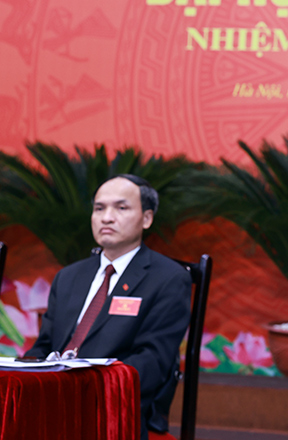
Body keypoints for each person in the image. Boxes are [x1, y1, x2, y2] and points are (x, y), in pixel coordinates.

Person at [26, 174, 192, 439]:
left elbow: (152, 361)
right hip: (51, 402)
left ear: (147, 218)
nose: (107, 218)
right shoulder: (68, 277)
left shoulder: (168, 279)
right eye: (99, 208)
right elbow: (44, 347)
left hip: (111, 409)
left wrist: (86, 388)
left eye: (121, 208)